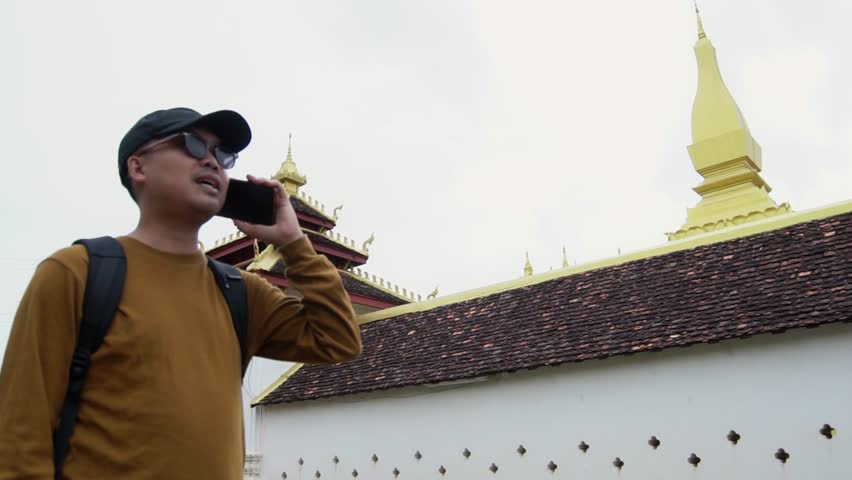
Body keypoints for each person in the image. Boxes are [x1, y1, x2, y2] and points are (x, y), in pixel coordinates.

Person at [0, 107, 362, 479]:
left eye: (223, 156)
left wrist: (294, 242)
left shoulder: (240, 293)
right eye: (192, 144)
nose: (212, 162)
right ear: (138, 167)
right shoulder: (76, 273)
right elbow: (19, 436)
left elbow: (338, 340)